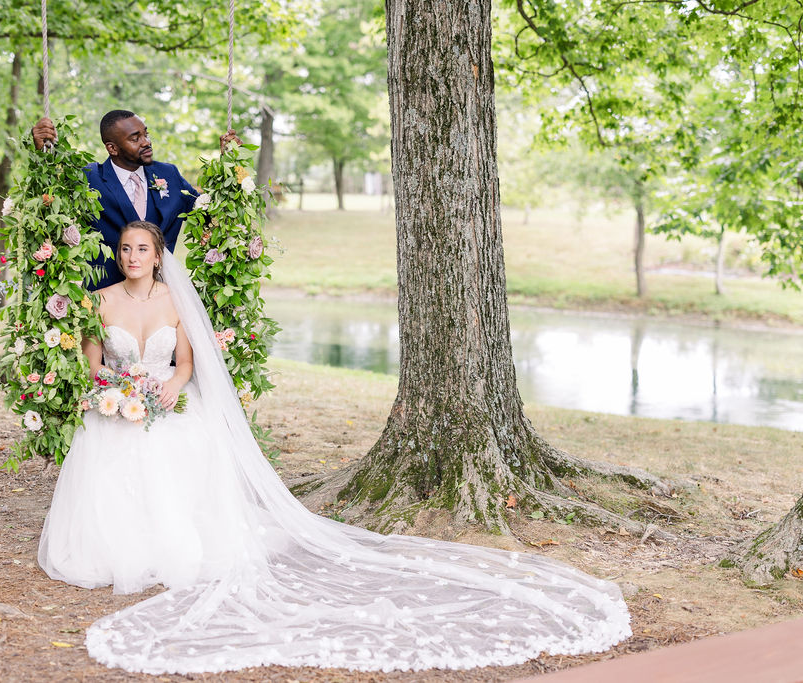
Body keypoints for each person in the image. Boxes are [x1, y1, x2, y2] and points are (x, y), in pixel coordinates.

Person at [39, 221, 632, 674]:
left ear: (157, 254)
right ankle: (125, 546)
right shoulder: (102, 300)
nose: (131, 257)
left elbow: (187, 363)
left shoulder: (174, 301)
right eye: (124, 249)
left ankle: (172, 543)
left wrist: (166, 386)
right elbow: (94, 366)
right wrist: (118, 392)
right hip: (120, 407)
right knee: (118, 457)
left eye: (141, 249)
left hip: (163, 404)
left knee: (176, 454)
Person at [32, 112, 198, 289]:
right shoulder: (87, 179)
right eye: (135, 139)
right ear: (112, 148)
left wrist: (229, 160)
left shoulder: (169, 174)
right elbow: (47, 205)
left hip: (162, 294)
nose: (146, 142)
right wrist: (41, 154)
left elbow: (205, 211)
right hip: (105, 298)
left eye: (146, 134)